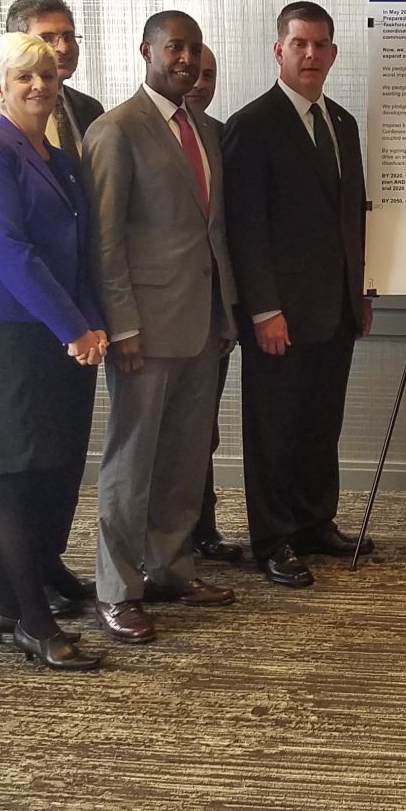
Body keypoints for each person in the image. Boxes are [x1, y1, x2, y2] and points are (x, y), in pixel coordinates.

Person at [0, 0, 105, 611]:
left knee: (51, 468)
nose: (39, 84)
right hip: (2, 334)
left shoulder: (58, 160)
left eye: (47, 75)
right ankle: (22, 614)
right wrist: (75, 327)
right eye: (23, 77)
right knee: (10, 476)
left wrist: (93, 324)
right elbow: (9, 250)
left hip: (58, 335)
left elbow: (82, 248)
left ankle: (25, 588)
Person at [85, 12, 240, 643]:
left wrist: (227, 308)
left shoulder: (205, 128)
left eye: (193, 48)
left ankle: (171, 568)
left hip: (203, 321)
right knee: (133, 460)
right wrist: (121, 326)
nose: (185, 58)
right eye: (173, 46)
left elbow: (212, 231)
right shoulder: (116, 129)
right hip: (144, 329)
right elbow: (104, 239)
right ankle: (117, 589)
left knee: (183, 457)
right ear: (145, 50)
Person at [221, 0, 371, 589]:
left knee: (320, 422)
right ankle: (273, 539)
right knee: (273, 427)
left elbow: (350, 219)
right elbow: (245, 229)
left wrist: (361, 295)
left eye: (321, 45)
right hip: (278, 314)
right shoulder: (251, 125)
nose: (311, 55)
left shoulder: (342, 123)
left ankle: (315, 521)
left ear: (333, 53)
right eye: (299, 44)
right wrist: (264, 308)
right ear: (278, 50)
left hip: (334, 308)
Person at [183, 41, 244, 564]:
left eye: (209, 75)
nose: (200, 83)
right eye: (192, 72)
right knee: (165, 435)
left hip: (213, 313)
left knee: (204, 428)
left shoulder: (221, 137)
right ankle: (167, 540)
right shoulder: (129, 130)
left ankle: (202, 527)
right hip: (163, 315)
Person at [0, 0, 105, 156]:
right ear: (18, 44)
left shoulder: (90, 108)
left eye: (68, 36)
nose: (63, 47)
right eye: (47, 38)